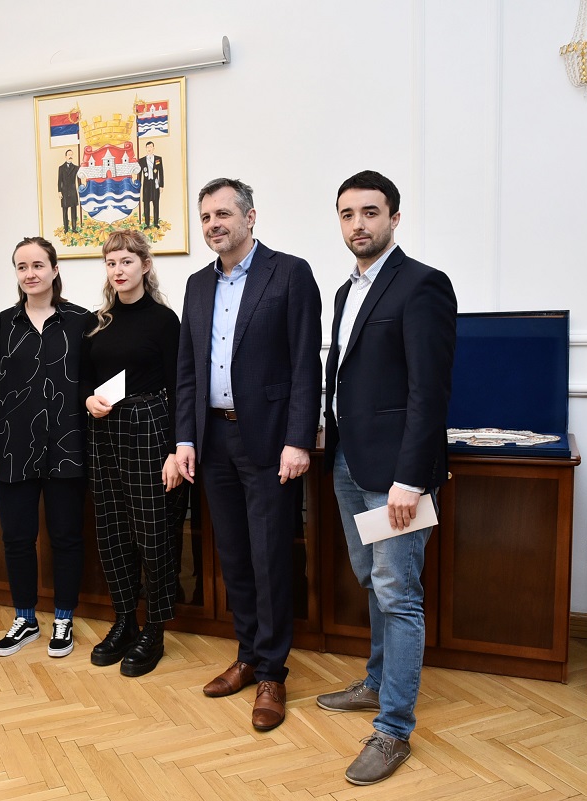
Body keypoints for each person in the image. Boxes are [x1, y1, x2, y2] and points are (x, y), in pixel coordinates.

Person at [317, 170, 456, 785]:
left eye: (370, 213)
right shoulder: (345, 292)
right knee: (371, 581)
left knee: (398, 594)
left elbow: (430, 393)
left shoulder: (422, 284)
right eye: (348, 214)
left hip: (397, 475)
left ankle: (394, 729)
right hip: (349, 464)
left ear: (394, 218)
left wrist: (411, 479)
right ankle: (375, 682)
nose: (358, 224)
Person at [174, 178, 322, 732]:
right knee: (233, 556)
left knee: (269, 557)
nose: (214, 225)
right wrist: (185, 439)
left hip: (268, 441)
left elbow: (305, 363)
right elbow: (187, 370)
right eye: (206, 217)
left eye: (223, 214)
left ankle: (273, 674)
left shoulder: (290, 273)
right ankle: (248, 655)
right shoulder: (197, 285)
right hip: (212, 441)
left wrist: (298, 440)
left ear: (250, 217)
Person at [0, 237, 94, 659]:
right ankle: (24, 619)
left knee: (66, 537)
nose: (30, 273)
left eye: (38, 265)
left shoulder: (83, 322)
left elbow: (94, 384)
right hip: (13, 447)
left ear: (55, 269)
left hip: (69, 446)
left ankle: (63, 618)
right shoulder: (1, 325)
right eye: (22, 266)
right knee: (16, 538)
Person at [83, 229, 188, 678]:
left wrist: (175, 451)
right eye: (111, 263)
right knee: (112, 530)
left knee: (153, 532)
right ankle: (125, 619)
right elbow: (84, 380)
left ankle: (154, 629)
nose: (118, 270)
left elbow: (181, 388)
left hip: (150, 429)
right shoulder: (98, 322)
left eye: (126, 261)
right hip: (104, 432)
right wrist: (88, 399)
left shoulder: (164, 321)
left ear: (145, 265)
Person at [139, 141, 163, 228]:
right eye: (148, 147)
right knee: (146, 204)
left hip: (155, 183)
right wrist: (138, 185)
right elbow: (139, 174)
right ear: (146, 148)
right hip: (146, 184)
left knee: (156, 203)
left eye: (150, 147)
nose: (149, 149)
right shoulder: (141, 160)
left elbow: (161, 173)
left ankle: (156, 223)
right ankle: (147, 224)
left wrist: (161, 185)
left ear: (153, 148)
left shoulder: (158, 159)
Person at [58, 150, 80, 232]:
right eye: (69, 155)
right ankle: (66, 229)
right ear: (65, 156)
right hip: (64, 192)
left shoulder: (76, 168)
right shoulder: (61, 168)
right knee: (65, 211)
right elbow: (59, 181)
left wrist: (80, 189)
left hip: (73, 191)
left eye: (71, 154)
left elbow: (79, 180)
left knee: (74, 211)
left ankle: (74, 228)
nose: (70, 156)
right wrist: (59, 191)